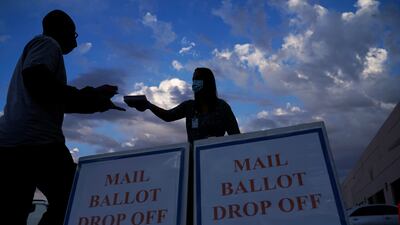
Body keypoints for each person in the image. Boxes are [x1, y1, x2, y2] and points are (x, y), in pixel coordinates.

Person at [0, 10, 124, 225]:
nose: (75, 43)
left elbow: (53, 96)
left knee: (15, 208)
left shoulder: (41, 50)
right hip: (38, 142)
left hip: (12, 143)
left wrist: (95, 99)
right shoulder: (47, 44)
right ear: (61, 29)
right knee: (74, 196)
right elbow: (39, 83)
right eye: (74, 34)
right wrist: (92, 97)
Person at [126, 67, 240, 143]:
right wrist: (148, 105)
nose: (195, 82)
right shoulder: (189, 106)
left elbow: (235, 136)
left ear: (208, 82)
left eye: (198, 79)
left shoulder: (222, 106)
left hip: (217, 158)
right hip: (193, 158)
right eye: (193, 79)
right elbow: (168, 116)